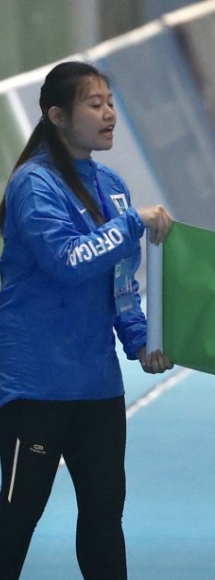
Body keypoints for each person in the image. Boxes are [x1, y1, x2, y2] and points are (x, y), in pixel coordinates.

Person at [0, 61, 174, 579]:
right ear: (56, 115)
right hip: (32, 388)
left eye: (111, 102)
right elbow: (67, 261)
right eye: (94, 104)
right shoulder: (34, 186)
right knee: (14, 521)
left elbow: (122, 284)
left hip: (98, 388)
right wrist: (128, 225)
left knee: (103, 519)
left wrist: (143, 340)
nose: (109, 114)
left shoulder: (112, 185)